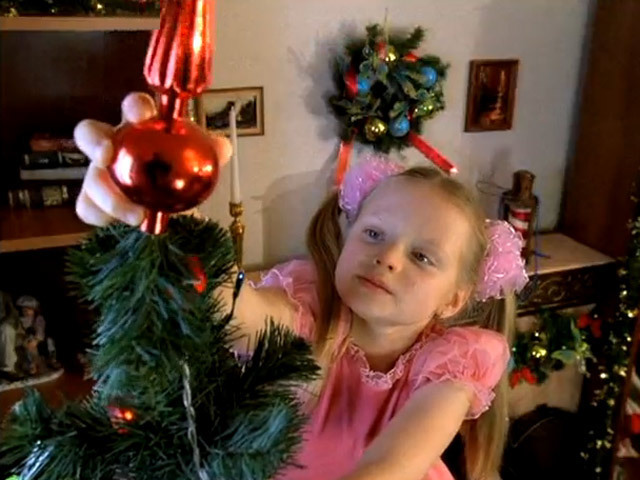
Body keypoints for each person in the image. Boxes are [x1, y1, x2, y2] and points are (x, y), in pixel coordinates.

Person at [74, 92, 529, 480]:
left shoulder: (453, 362)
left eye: (422, 257)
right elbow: (231, 308)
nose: (388, 257)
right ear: (348, 237)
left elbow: (393, 465)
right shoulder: (308, 308)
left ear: (454, 299)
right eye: (374, 233)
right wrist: (167, 214)